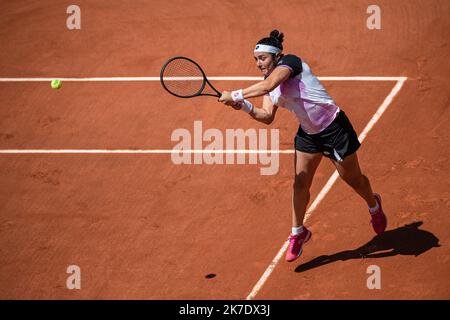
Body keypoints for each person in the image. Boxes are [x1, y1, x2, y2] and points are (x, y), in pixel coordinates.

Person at [219, 30, 387, 262]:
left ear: (277, 56)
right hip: (309, 136)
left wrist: (236, 94)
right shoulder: (271, 86)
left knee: (353, 179)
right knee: (300, 183)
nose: (258, 63)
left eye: (262, 58)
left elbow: (267, 85)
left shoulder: (291, 63)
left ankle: (373, 204)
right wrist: (245, 106)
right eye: (256, 60)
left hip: (334, 129)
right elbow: (266, 115)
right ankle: (299, 232)